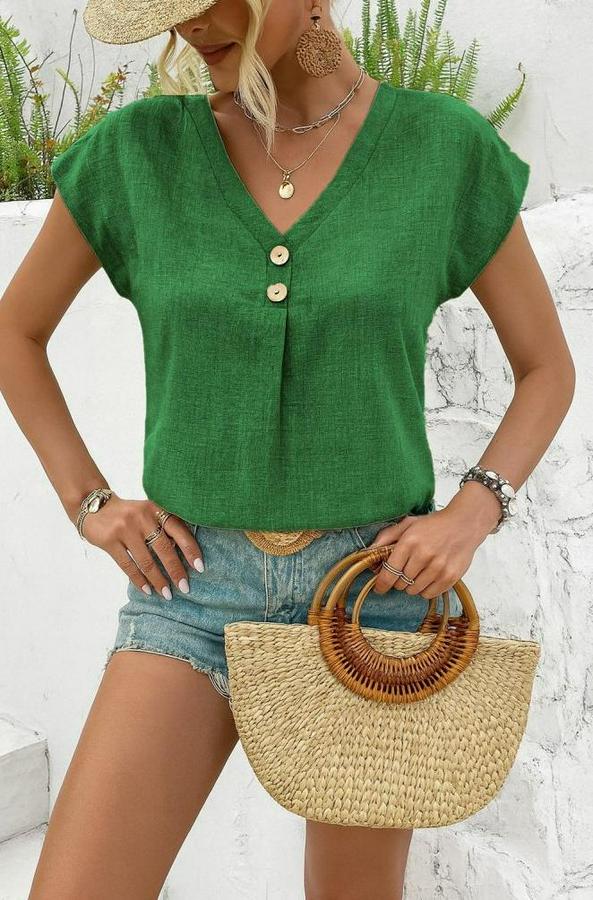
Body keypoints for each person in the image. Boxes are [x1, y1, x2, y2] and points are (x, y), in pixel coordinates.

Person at [0, 0, 575, 897]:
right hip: (189, 594)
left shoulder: (441, 148)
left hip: (373, 603)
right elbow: (14, 332)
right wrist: (92, 504)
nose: (191, 24)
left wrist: (473, 510)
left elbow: (546, 369)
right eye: (174, 8)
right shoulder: (137, 154)